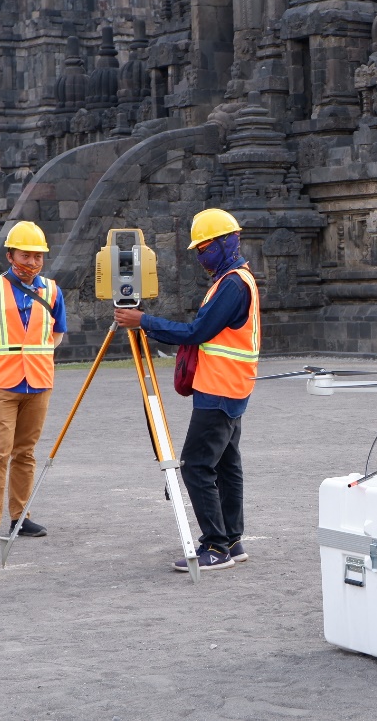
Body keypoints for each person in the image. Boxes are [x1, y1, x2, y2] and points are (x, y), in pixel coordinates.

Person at [114, 208, 259, 573]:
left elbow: (197, 332)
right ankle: (233, 540)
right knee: (226, 464)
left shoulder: (233, 284)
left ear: (226, 243)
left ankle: (216, 545)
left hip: (220, 387)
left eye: (204, 248)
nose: (200, 256)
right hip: (230, 385)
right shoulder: (232, 279)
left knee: (196, 465)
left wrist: (144, 321)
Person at [0, 221, 67, 546]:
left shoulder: (52, 291)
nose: (32, 263)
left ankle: (21, 517)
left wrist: (35, 357)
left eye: (38, 256)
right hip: (2, 384)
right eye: (26, 256)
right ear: (10, 256)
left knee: (26, 453)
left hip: (38, 383)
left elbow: (57, 334)